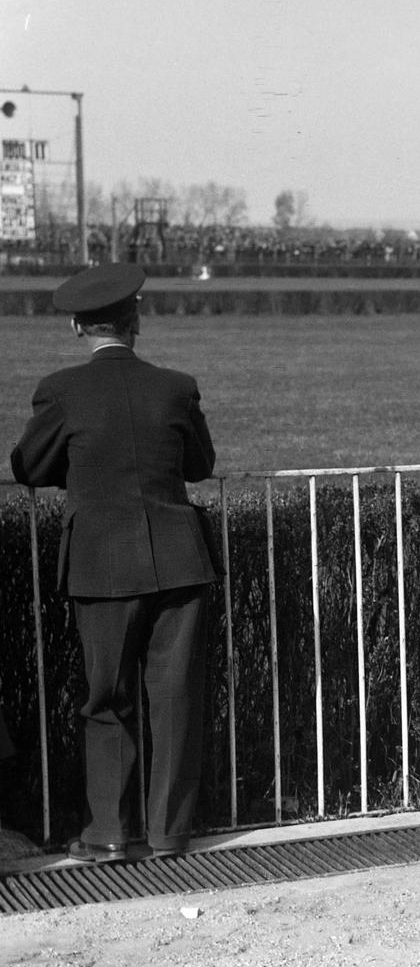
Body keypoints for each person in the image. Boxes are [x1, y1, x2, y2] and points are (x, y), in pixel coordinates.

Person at [10, 263, 218, 862]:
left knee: (106, 701)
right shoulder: (177, 386)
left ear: (77, 325)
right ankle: (169, 834)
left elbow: (28, 466)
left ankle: (108, 833)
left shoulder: (61, 390)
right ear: (136, 320)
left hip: (101, 566)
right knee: (175, 702)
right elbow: (200, 465)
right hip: (180, 563)